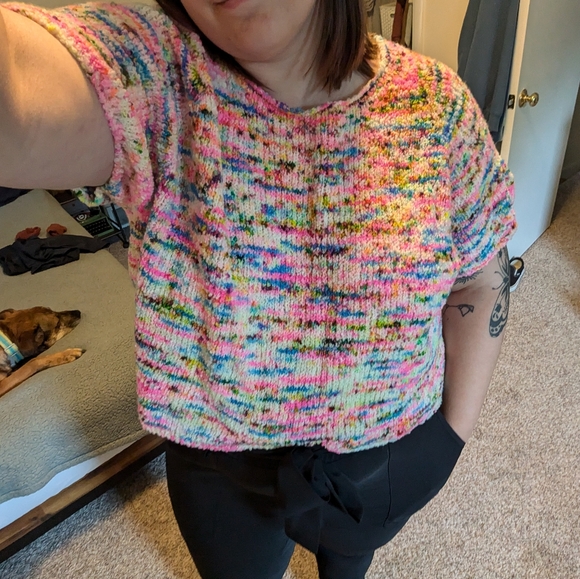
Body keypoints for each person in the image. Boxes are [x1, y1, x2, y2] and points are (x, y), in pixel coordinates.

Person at [0, 1, 517, 577]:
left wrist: (449, 440)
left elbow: (482, 277)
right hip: (220, 467)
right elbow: (16, 88)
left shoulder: (437, 108)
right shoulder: (154, 77)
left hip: (384, 455)